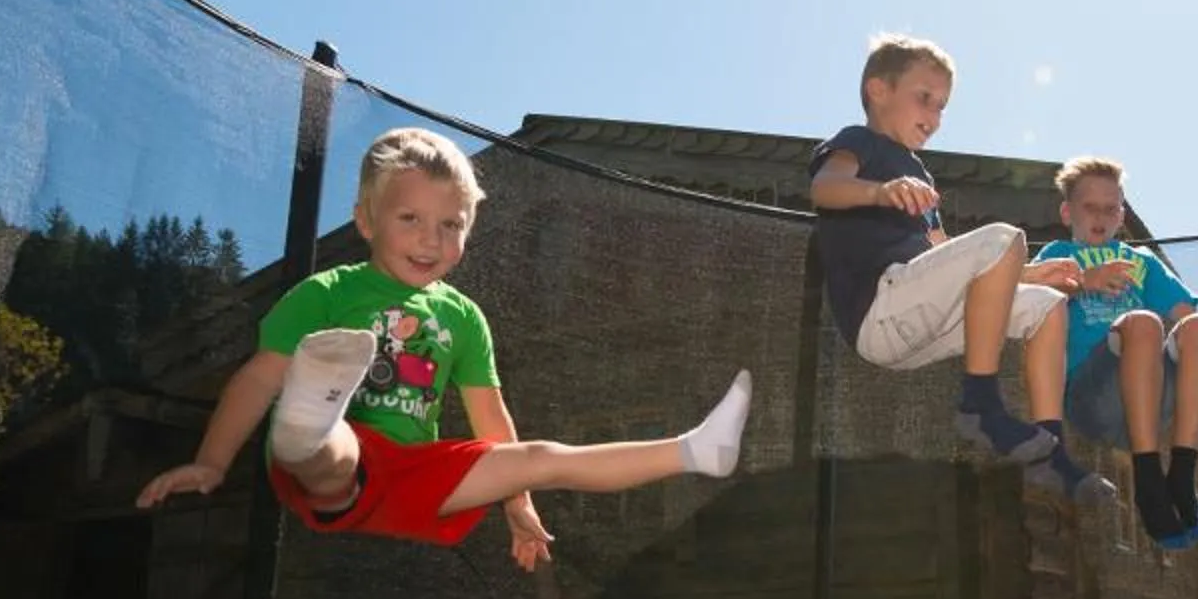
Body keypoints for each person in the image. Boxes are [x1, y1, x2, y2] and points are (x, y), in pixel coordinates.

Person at [137, 126, 749, 551]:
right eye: (411, 220)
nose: (431, 240)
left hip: (416, 476)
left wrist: (518, 502)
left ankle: (694, 450)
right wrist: (211, 461)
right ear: (366, 220)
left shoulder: (462, 316)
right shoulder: (326, 294)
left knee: (541, 457)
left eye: (450, 225)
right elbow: (256, 379)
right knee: (340, 454)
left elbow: (489, 416)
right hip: (338, 472)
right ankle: (311, 422)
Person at [808, 34, 1115, 506]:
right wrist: (878, 191)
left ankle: (1049, 456)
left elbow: (947, 253)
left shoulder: (922, 177)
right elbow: (825, 188)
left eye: (943, 107)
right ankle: (981, 405)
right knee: (1003, 236)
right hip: (881, 309)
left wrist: (1033, 274)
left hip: (922, 322)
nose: (933, 117)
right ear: (878, 90)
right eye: (924, 99)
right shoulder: (858, 143)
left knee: (1048, 308)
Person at [1029, 155, 1198, 549]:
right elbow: (1028, 301)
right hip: (1094, 401)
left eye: (1110, 209)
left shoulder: (1142, 262)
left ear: (1122, 215)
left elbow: (1188, 320)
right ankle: (1149, 478)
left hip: (1153, 398)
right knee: (1143, 322)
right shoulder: (1057, 256)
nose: (1100, 216)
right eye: (1089, 207)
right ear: (1067, 211)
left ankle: (1181, 473)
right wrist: (1084, 281)